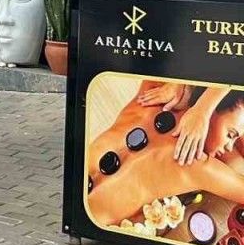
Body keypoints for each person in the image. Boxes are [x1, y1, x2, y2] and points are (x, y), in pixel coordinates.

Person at [87, 83, 244, 227]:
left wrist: (188, 89)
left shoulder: (154, 93)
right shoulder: (193, 163)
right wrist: (202, 110)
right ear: (212, 112)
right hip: (90, 221)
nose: (230, 147)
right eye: (230, 135)